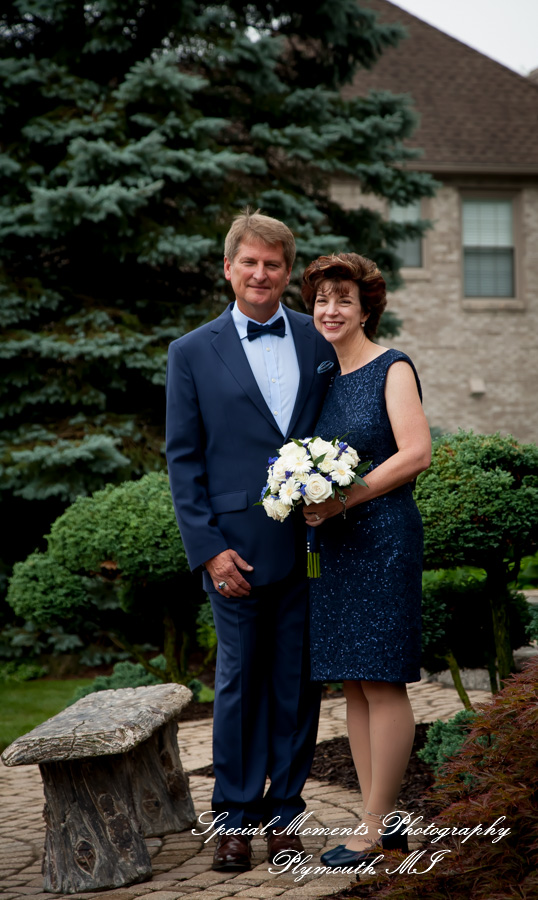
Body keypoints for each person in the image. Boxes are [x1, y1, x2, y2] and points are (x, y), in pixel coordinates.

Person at [165, 211, 337, 872]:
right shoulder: (191, 352)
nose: (261, 274)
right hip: (232, 550)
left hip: (311, 546)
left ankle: (285, 816)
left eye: (274, 265)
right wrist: (208, 549)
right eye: (250, 263)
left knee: (295, 683)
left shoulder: (316, 342)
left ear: (287, 274)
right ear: (229, 268)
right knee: (237, 683)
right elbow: (183, 460)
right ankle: (234, 817)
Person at [300, 252, 431, 867]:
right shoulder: (326, 378)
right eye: (323, 299)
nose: (331, 309)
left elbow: (415, 453)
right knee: (354, 682)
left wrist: (342, 498)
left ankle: (378, 826)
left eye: (343, 299)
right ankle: (379, 819)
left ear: (365, 307)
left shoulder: (391, 367)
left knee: (381, 679)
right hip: (337, 544)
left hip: (382, 540)